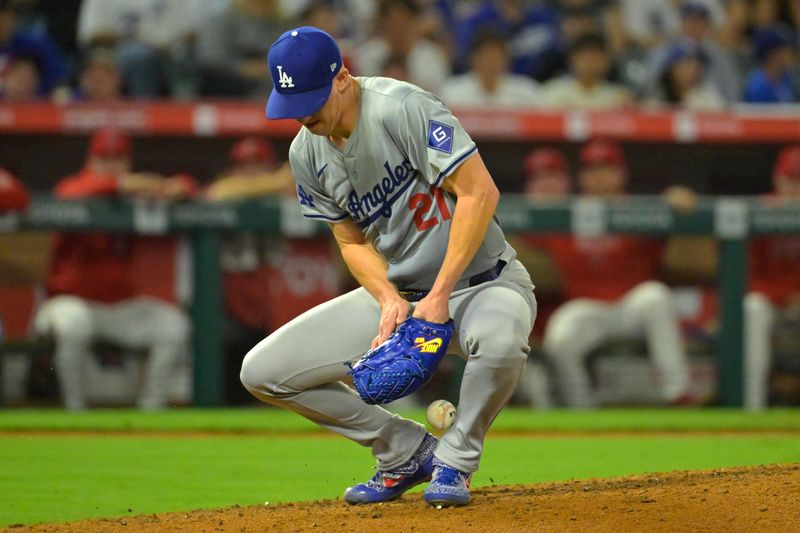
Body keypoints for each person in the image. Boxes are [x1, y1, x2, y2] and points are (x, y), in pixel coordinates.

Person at [241, 27, 536, 507]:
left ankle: (456, 461)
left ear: (342, 78)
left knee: (502, 343)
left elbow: (479, 192)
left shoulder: (400, 107)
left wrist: (439, 296)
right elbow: (349, 239)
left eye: (312, 98)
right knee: (263, 371)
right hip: (404, 294)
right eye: (293, 102)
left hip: (482, 285)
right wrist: (388, 298)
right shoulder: (305, 152)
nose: (303, 114)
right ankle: (403, 451)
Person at [33, 128, 195, 411]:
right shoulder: (79, 187)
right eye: (104, 158)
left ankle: (151, 410)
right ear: (90, 161)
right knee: (74, 323)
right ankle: (75, 411)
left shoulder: (131, 191)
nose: (111, 165)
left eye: (118, 159)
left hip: (118, 308)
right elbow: (69, 194)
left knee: (172, 325)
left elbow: (190, 186)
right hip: (65, 304)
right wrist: (122, 183)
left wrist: (172, 189)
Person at [531, 139, 691, 408]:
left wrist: (679, 201)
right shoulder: (565, 212)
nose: (600, 177)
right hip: (588, 308)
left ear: (622, 174)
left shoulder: (640, 209)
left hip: (632, 306)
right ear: (581, 177)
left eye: (607, 169)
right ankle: (581, 409)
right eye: (592, 170)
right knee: (560, 337)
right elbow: (513, 229)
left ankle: (678, 392)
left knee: (656, 297)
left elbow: (682, 228)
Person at [744, 145, 800, 410]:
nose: (795, 188)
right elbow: (745, 274)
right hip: (771, 301)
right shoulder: (760, 211)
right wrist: (784, 296)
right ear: (778, 179)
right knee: (752, 308)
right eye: (791, 179)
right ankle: (751, 407)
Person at [353, 0, 451, 92]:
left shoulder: (431, 57)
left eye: (402, 23)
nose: (398, 29)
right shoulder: (367, 56)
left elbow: (440, 98)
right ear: (382, 24)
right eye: (392, 23)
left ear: (413, 22)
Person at [439, 29, 542, 108]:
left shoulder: (525, 93)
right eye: (487, 56)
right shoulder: (452, 93)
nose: (492, 62)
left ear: (506, 60)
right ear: (475, 59)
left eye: (497, 57)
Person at [540, 33, 631, 109]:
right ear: (572, 59)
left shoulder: (617, 98)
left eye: (597, 57)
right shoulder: (554, 92)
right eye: (586, 57)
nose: (591, 63)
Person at [647, 42, 726, 110]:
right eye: (686, 64)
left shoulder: (708, 97)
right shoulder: (656, 97)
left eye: (697, 65)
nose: (693, 70)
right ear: (670, 69)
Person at [743, 25, 798, 104]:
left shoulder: (786, 77)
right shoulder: (757, 86)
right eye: (786, 50)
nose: (791, 54)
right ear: (772, 54)